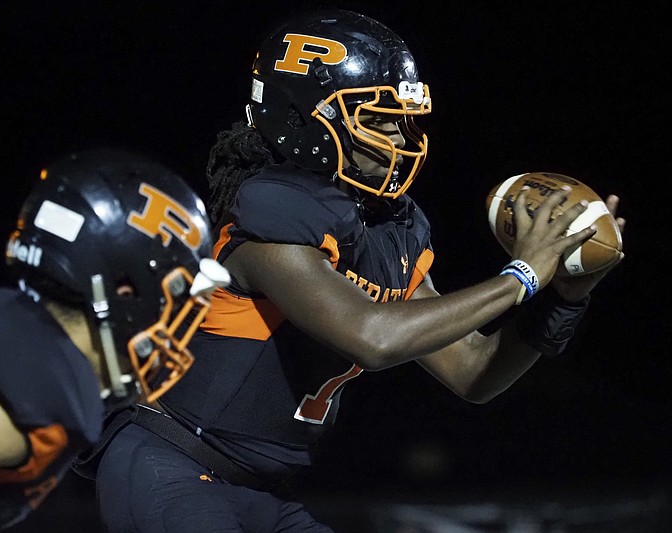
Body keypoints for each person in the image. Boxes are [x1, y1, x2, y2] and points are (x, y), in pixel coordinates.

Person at [93, 10, 626, 532]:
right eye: (375, 117)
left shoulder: (389, 227)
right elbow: (372, 337)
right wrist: (522, 275)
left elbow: (473, 372)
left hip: (262, 490)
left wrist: (564, 298)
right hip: (173, 464)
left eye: (402, 117)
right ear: (301, 118)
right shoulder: (269, 212)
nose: (398, 134)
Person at [0, 147, 229, 532]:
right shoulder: (30, 379)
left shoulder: (14, 326)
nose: (176, 320)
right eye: (174, 296)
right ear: (126, 290)